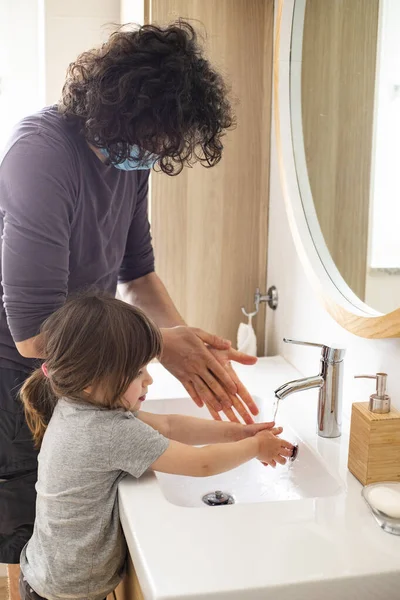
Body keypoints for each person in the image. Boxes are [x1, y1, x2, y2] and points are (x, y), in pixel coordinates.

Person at [0, 21, 261, 596]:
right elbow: (33, 335)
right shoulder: (40, 155)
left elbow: (137, 271)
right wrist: (154, 344)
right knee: (25, 505)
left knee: (72, 501)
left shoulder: (131, 159)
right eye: (154, 138)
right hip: (22, 360)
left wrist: (181, 338)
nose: (155, 154)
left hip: (88, 353)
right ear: (117, 107)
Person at [18, 293, 293, 600]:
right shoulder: (108, 431)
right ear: (90, 380)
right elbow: (201, 464)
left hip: (46, 573)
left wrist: (239, 433)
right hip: (69, 592)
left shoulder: (79, 404)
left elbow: (170, 426)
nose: (148, 380)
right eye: (137, 372)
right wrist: (256, 448)